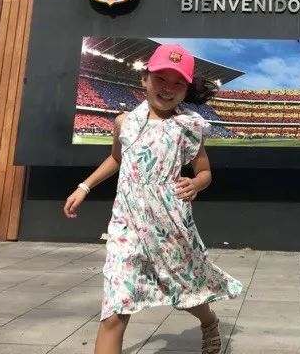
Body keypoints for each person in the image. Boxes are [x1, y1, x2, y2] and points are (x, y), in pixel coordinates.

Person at [63, 43, 242, 354]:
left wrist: (196, 184)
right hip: (127, 228)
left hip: (169, 227)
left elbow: (204, 172)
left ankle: (209, 321)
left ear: (186, 89)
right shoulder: (124, 122)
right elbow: (117, 159)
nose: (168, 88)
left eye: (178, 83)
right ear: (144, 78)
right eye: (161, 78)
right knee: (114, 311)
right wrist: (84, 186)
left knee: (188, 293)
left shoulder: (189, 127)